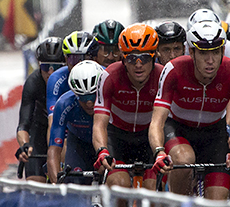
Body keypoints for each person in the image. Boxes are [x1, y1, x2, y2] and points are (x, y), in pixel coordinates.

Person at [148, 21, 230, 200]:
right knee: (184, 160)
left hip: (214, 135)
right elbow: (157, 121)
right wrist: (159, 151)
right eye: (204, 53)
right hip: (178, 129)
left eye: (216, 52)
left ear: (222, 51)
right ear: (192, 52)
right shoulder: (173, 69)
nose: (211, 60)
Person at [92, 24, 163, 189]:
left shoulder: (162, 76)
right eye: (131, 58)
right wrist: (102, 150)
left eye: (144, 58)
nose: (138, 65)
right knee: (119, 186)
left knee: (152, 189)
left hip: (149, 139)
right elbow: (99, 123)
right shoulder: (109, 76)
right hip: (117, 139)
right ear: (123, 59)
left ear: (154, 57)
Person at [46, 60, 104, 183]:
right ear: (75, 94)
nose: (89, 103)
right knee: (72, 182)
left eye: (93, 97)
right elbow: (54, 150)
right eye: (83, 97)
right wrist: (58, 185)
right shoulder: (64, 104)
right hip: (79, 144)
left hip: (108, 142)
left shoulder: (111, 98)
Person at [15, 37, 63, 182]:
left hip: (65, 133)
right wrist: (25, 145)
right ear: (38, 65)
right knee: (35, 183)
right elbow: (23, 125)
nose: (50, 72)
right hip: (39, 130)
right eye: (45, 66)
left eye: (56, 67)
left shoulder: (71, 80)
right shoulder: (33, 82)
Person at [45, 30, 96, 120]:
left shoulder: (106, 75)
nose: (79, 65)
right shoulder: (56, 79)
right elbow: (52, 121)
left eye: (85, 59)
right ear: (66, 59)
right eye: (74, 59)